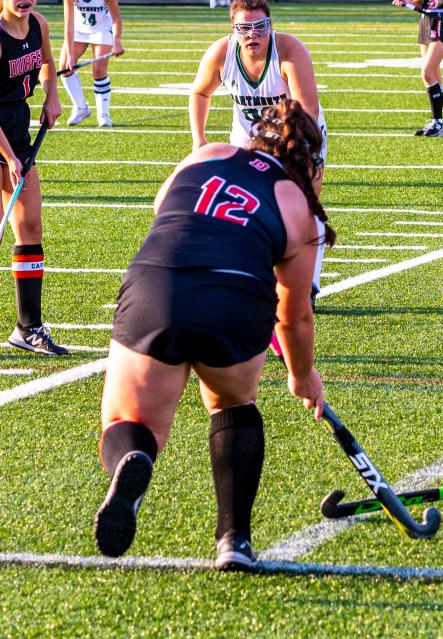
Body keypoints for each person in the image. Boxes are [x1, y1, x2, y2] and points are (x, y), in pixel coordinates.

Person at [92, 99, 334, 570]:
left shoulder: (204, 155)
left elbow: (162, 208)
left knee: (130, 419)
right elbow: (295, 315)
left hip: (158, 281)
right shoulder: (296, 205)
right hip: (235, 298)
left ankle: (132, 460)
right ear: (308, 161)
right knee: (231, 406)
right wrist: (302, 374)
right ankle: (234, 541)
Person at [190, 0, 328, 307]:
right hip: (249, 138)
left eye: (260, 27)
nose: (253, 35)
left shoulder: (290, 51)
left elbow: (308, 109)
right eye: (244, 28)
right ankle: (246, 277)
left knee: (306, 209)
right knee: (242, 210)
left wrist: (295, 153)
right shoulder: (222, 53)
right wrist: (198, 140)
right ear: (233, 30)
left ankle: (308, 286)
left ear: (270, 26)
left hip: (298, 135)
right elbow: (200, 91)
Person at [0, 0, 68, 356]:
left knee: (30, 229)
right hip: (3, 144)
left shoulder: (38, 24)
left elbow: (46, 64)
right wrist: (8, 157)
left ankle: (28, 327)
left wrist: (51, 95)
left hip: (18, 135)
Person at [391, 0, 443, 137]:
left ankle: (438, 122)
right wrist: (406, 2)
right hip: (425, 20)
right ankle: (437, 122)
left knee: (426, 73)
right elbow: (421, 3)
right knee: (434, 75)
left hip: (442, 19)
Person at [59, 0, 123, 127]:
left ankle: (103, 115)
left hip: (102, 29)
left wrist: (117, 41)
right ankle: (81, 108)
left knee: (98, 70)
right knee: (65, 67)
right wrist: (71, 55)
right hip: (78, 29)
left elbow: (116, 19)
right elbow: (69, 24)